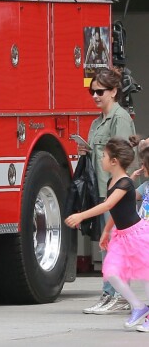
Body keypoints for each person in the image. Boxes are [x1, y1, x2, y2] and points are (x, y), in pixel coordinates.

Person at [65, 137, 149, 332]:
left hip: (137, 235)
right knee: (111, 273)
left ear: (114, 161)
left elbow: (109, 205)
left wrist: (81, 216)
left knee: (146, 275)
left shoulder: (126, 183)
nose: (101, 159)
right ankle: (138, 306)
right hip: (122, 236)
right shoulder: (113, 181)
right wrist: (106, 231)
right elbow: (116, 211)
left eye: (103, 156)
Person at [79, 67, 135, 315]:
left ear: (114, 91)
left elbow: (122, 157)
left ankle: (117, 295)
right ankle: (111, 294)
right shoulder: (97, 122)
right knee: (108, 245)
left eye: (100, 91)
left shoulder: (120, 119)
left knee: (115, 245)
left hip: (114, 192)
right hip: (100, 189)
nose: (95, 95)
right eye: (92, 91)